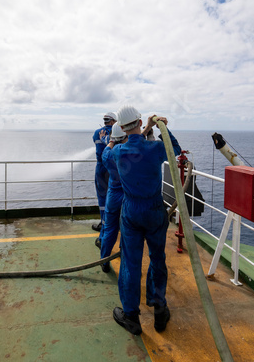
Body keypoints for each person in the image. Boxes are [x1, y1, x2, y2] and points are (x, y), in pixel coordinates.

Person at [110, 105, 181, 335]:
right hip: (154, 209)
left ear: (121, 128)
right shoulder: (155, 149)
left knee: (130, 263)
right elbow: (175, 150)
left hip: (131, 211)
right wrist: (160, 125)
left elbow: (114, 151)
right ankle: (159, 310)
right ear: (140, 123)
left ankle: (131, 317)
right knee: (157, 258)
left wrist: (143, 127)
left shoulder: (118, 153)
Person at [96, 124, 127, 273]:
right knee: (126, 229)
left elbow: (107, 147)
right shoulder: (131, 153)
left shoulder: (108, 154)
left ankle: (104, 261)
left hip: (113, 195)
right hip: (127, 196)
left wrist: (110, 139)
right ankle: (124, 254)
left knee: (109, 229)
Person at [92, 112, 116, 232]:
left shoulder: (97, 133)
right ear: (113, 121)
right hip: (113, 168)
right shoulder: (117, 132)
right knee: (115, 195)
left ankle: (104, 223)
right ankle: (115, 223)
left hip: (101, 169)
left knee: (102, 197)